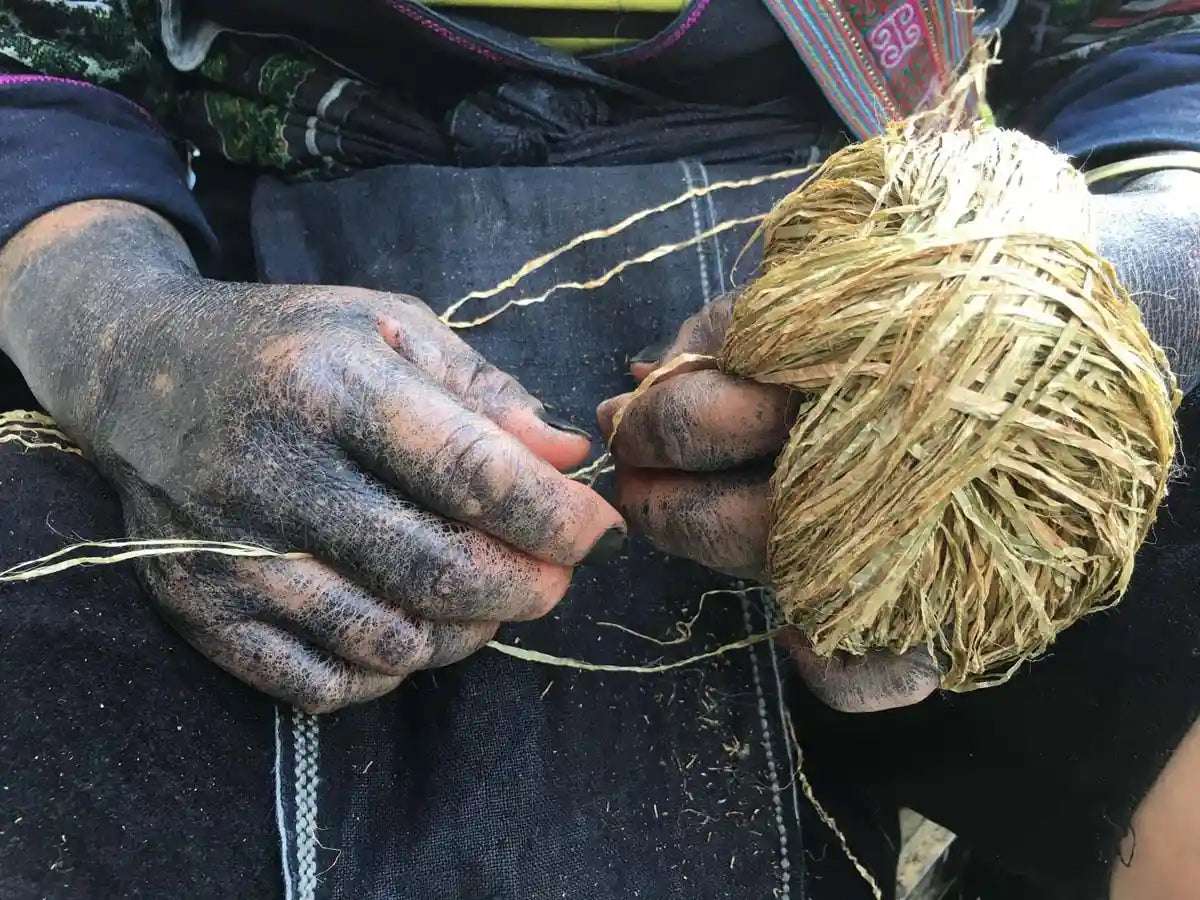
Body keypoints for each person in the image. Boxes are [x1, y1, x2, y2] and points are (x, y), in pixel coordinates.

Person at [1, 1, 1198, 897]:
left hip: (928, 233)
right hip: (242, 238)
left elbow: (1156, 44)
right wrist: (119, 334)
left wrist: (1084, 306)